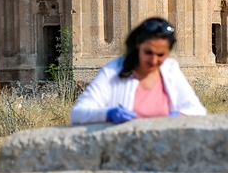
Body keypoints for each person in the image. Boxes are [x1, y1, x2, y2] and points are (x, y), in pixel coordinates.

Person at [70, 17, 207, 124]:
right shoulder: (113, 71)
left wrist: (181, 116)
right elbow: (78, 113)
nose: (153, 60)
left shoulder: (170, 70)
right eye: (148, 52)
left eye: (161, 55)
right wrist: (108, 114)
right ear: (138, 45)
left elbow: (198, 111)